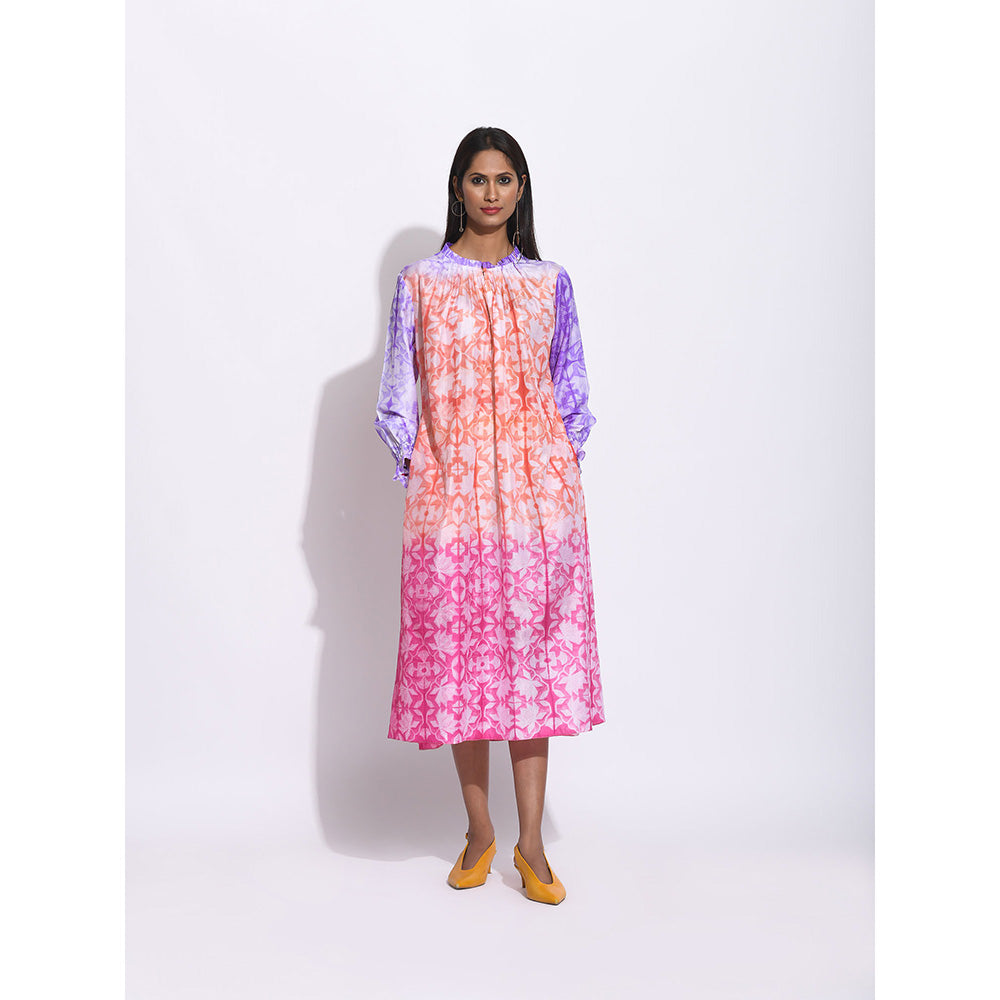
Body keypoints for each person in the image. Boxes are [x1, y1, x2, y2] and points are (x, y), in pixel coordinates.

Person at [374, 126, 605, 905]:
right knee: (464, 668)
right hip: (451, 508)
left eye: (506, 179)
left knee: (533, 667)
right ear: (458, 188)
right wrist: (429, 480)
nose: (492, 193)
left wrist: (554, 472)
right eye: (479, 179)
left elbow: (572, 390)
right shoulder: (420, 284)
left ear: (521, 189)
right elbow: (396, 399)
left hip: (539, 512)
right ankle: (480, 832)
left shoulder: (549, 284)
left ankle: (531, 846)